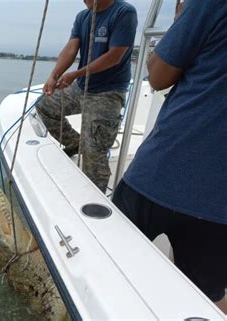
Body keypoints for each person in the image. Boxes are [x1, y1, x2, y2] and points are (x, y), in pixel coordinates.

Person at [112, 0, 227, 313]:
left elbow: (159, 75)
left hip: (162, 174)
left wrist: (179, 23)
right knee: (206, 300)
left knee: (106, 261)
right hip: (220, 206)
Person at [35, 0, 137, 192]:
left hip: (108, 92)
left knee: (94, 152)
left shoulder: (124, 12)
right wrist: (53, 75)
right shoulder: (83, 16)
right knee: (44, 107)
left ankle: (95, 197)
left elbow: (115, 56)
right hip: (81, 88)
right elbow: (71, 48)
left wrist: (75, 74)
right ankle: (75, 143)